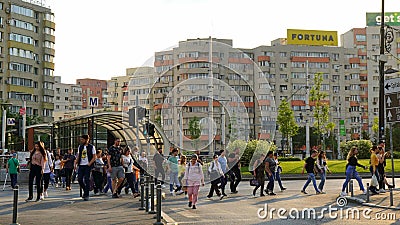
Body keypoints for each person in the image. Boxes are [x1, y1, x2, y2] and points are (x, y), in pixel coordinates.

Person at [76, 134, 97, 201]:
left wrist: (89, 164)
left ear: (87, 140)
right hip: (81, 165)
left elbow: (94, 157)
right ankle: (85, 190)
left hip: (87, 165)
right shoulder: (80, 147)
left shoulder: (91, 147)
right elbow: (79, 155)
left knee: (87, 179)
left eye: (82, 139)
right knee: (79, 179)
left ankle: (86, 194)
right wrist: (76, 162)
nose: (81, 141)